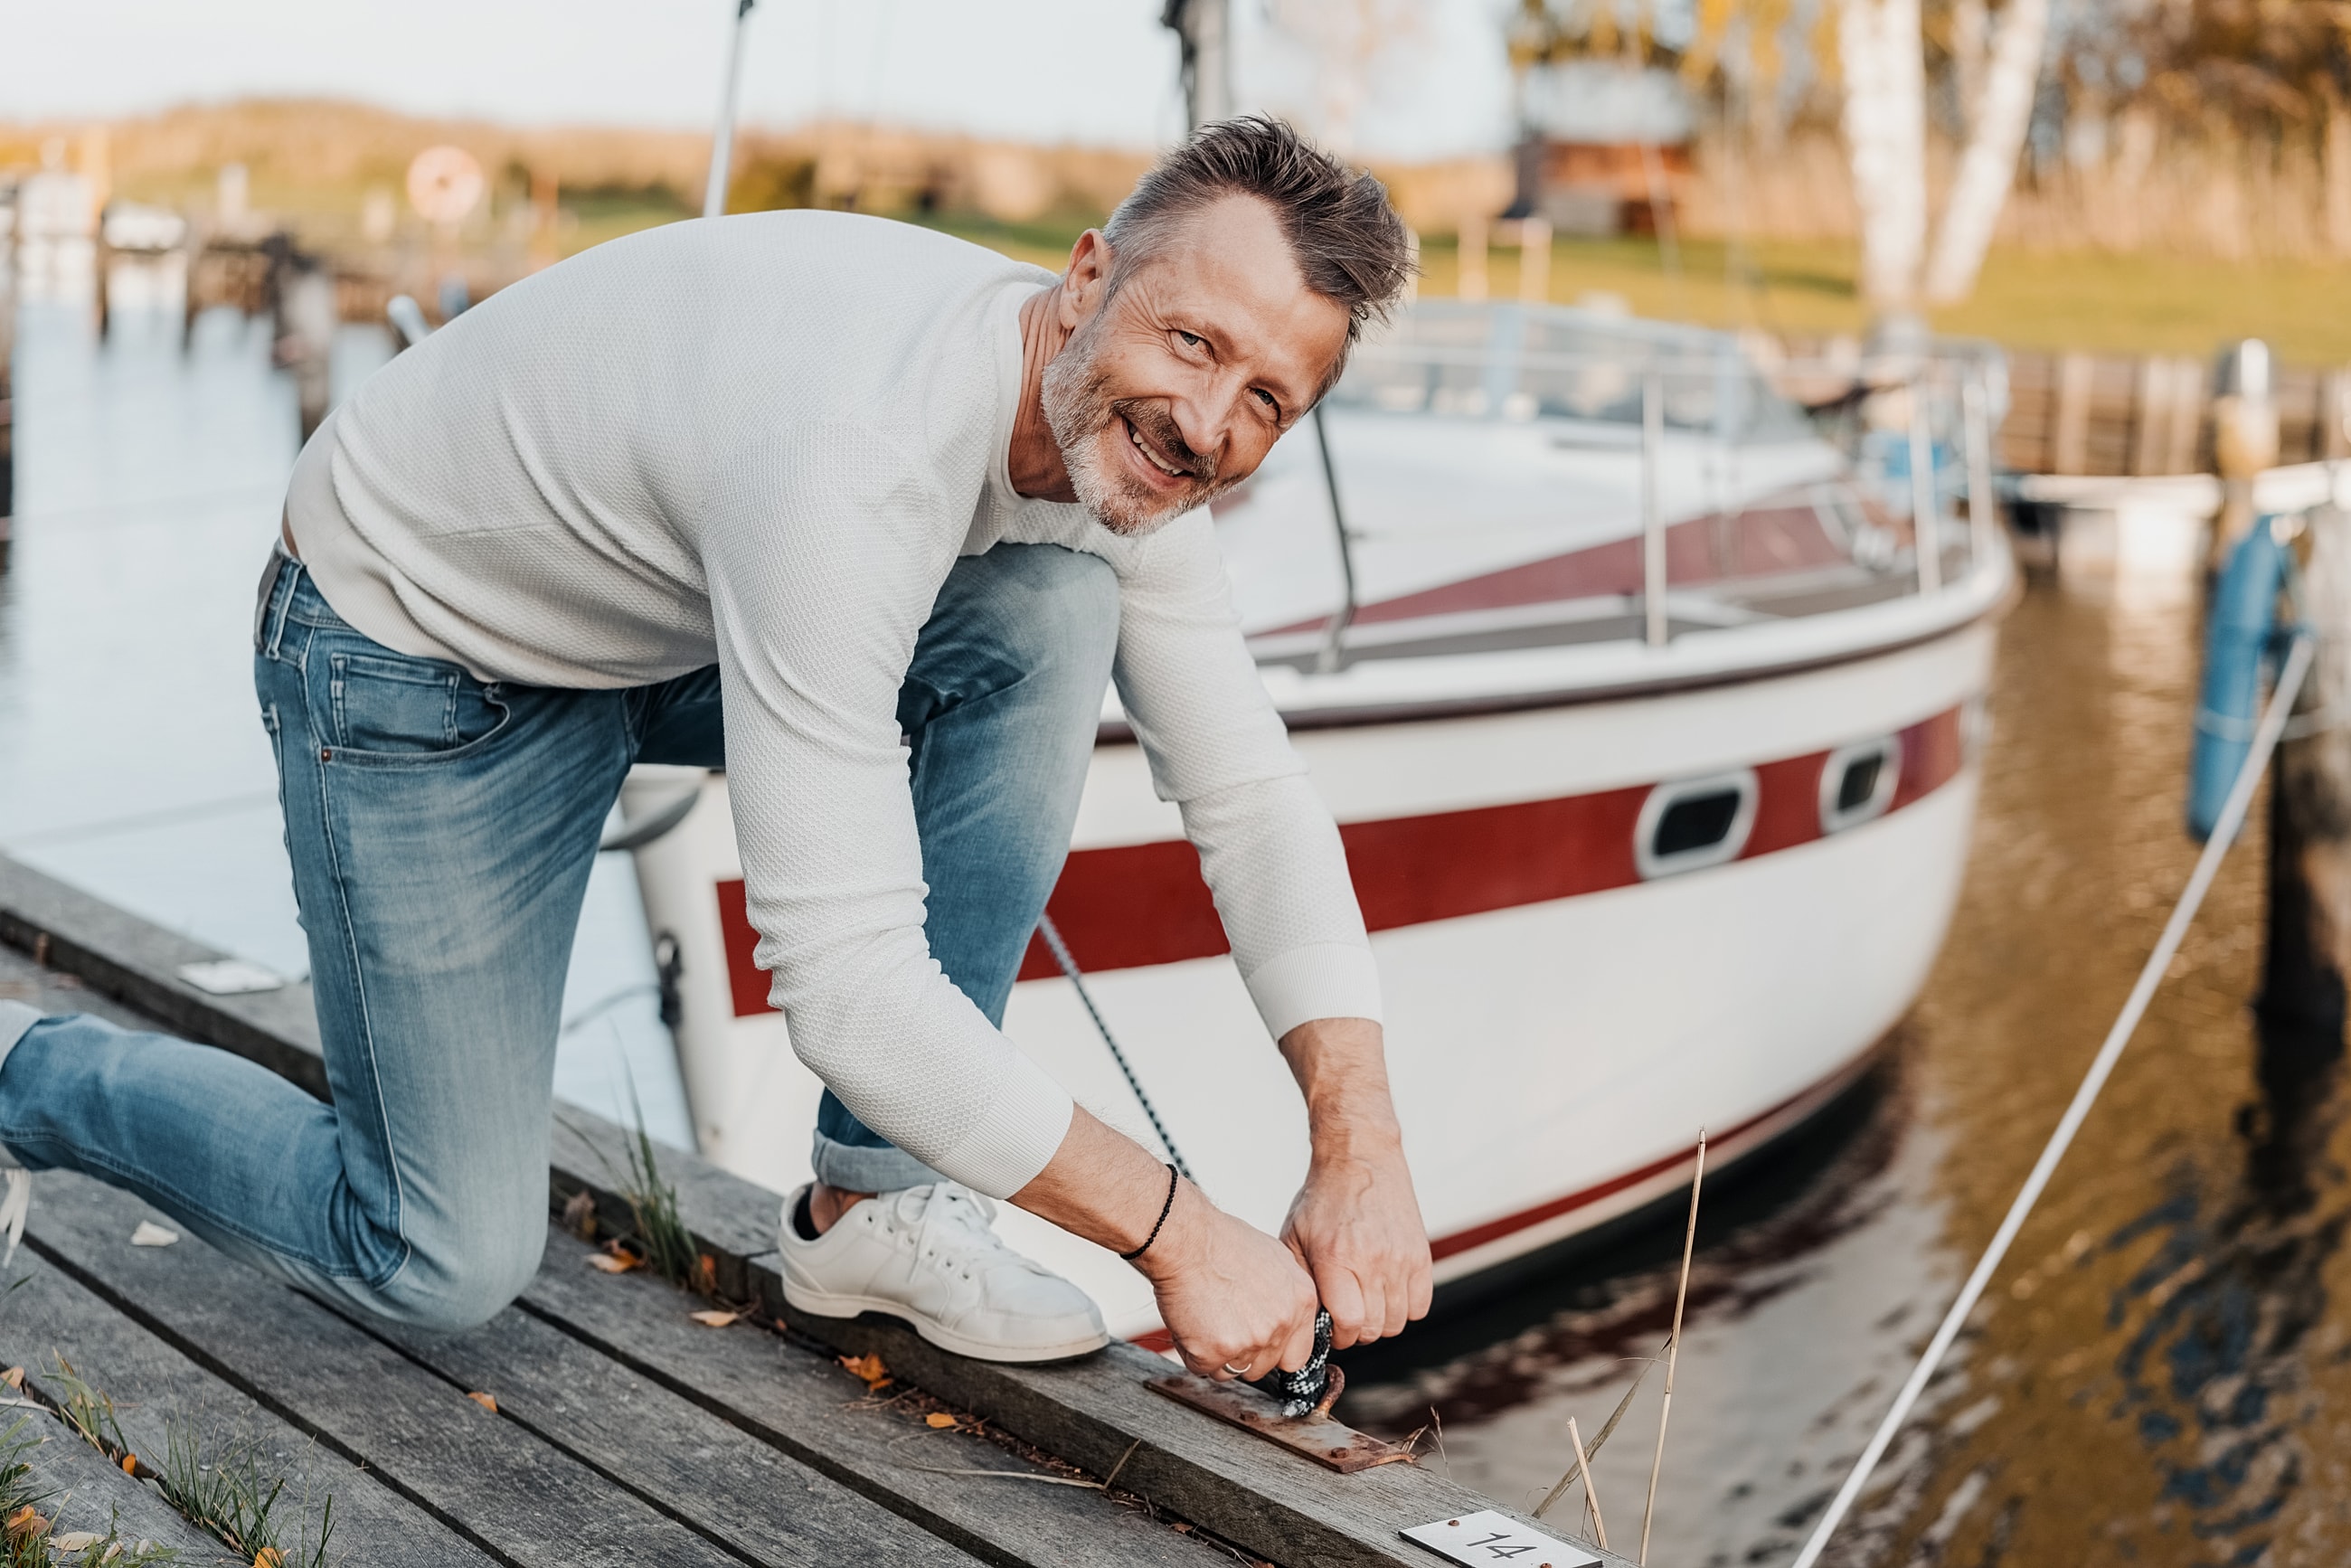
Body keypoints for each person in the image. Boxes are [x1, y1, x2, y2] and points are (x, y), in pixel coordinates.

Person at [0, 117, 1430, 1382]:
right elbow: (850, 989)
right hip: (417, 650)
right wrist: (1179, 1233)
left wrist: (1359, 1147)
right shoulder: (856, 450)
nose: (1207, 423)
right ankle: (25, 1075)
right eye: (1194, 343)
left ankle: (869, 1207)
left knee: (1057, 605)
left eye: (1266, 401)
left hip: (653, 619)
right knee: (436, 1256)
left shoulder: (1121, 460)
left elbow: (1247, 795)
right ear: (1083, 279)